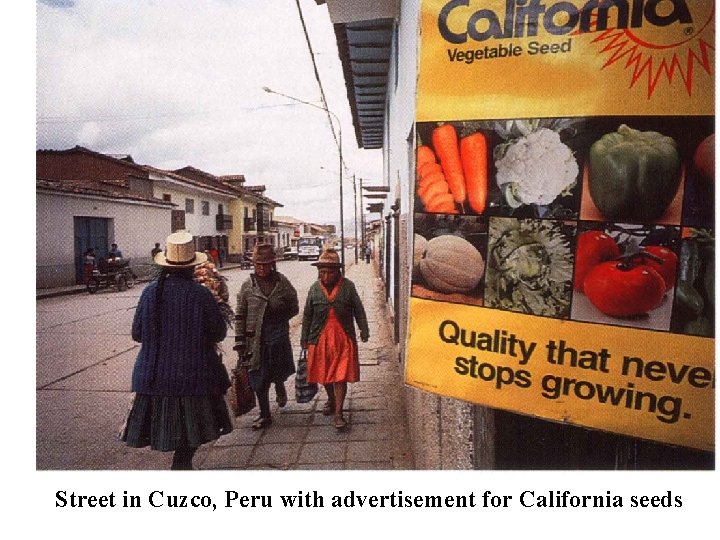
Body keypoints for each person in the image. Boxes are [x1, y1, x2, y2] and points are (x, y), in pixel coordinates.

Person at [121, 231, 232, 470]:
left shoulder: (150, 292)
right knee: (194, 427)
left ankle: (181, 465)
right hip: (193, 377)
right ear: (192, 267)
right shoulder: (201, 294)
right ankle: (182, 464)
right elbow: (219, 333)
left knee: (172, 425)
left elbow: (137, 333)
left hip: (153, 377)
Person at [301, 248, 369, 431]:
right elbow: (307, 314)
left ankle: (338, 413)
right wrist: (304, 338)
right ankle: (331, 399)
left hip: (342, 339)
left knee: (340, 377)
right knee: (324, 376)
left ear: (338, 271)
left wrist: (364, 329)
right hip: (320, 339)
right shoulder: (314, 289)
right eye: (322, 271)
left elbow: (359, 310)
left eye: (330, 271)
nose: (325, 275)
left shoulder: (348, 287)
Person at [235, 243, 299, 430]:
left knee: (278, 369)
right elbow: (240, 315)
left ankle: (279, 385)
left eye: (266, 264)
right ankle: (265, 414)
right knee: (258, 377)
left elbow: (294, 306)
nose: (262, 268)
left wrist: (280, 315)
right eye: (258, 264)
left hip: (277, 336)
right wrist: (240, 343)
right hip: (255, 340)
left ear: (273, 264)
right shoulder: (248, 287)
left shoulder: (282, 283)